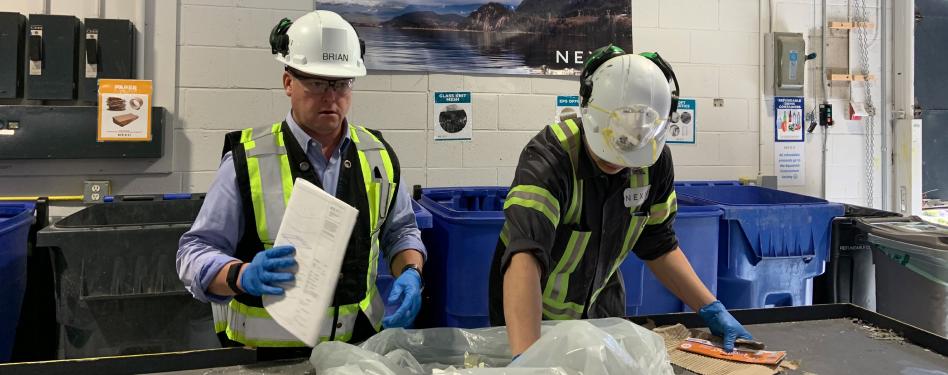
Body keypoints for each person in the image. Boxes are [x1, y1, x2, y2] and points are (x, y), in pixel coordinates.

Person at [176, 10, 425, 359]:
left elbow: (401, 232)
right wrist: (239, 275)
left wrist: (410, 272)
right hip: (264, 356)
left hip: (355, 351)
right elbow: (192, 253)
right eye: (317, 82)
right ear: (288, 83)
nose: (330, 97)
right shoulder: (247, 160)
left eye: (341, 83)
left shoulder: (378, 156)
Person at [488, 45, 753, 357]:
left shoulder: (654, 160)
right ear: (588, 111)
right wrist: (528, 360)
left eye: (633, 147)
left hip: (601, 311)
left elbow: (658, 245)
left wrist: (710, 308)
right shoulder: (550, 160)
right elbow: (525, 258)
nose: (621, 160)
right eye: (614, 145)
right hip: (531, 318)